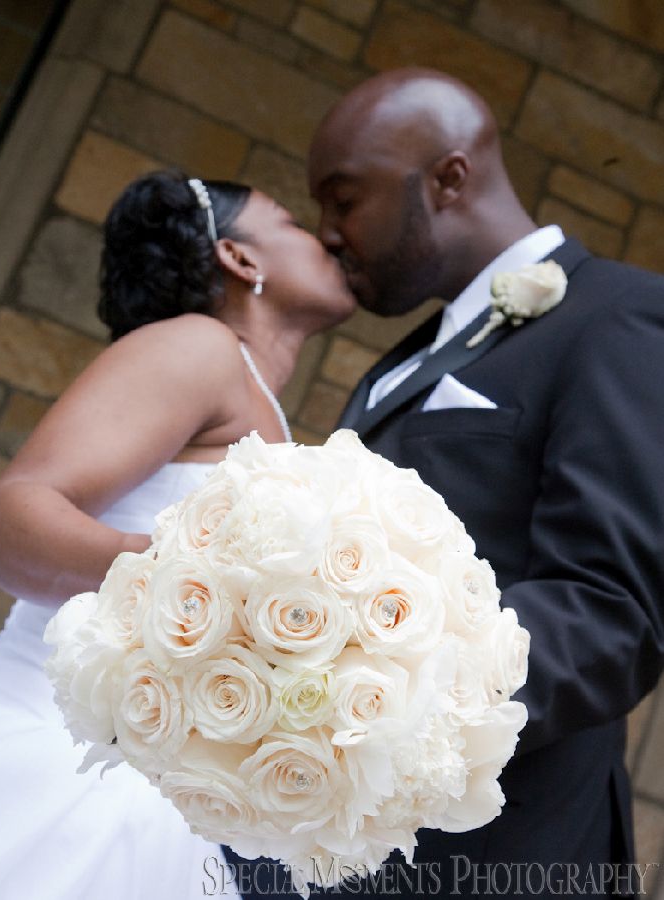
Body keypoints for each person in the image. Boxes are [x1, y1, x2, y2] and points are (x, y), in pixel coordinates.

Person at [304, 68, 664, 898]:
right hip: (361, 847)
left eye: (342, 198)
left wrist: (371, 691)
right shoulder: (414, 354)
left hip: (501, 852)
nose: (326, 231)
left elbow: (608, 610)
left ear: (449, 178)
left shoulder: (621, 317)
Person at [0, 170, 355, 900]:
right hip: (57, 762)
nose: (327, 238)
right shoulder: (200, 347)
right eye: (292, 221)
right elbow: (13, 517)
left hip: (155, 794)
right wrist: (200, 585)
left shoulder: (257, 401)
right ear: (240, 259)